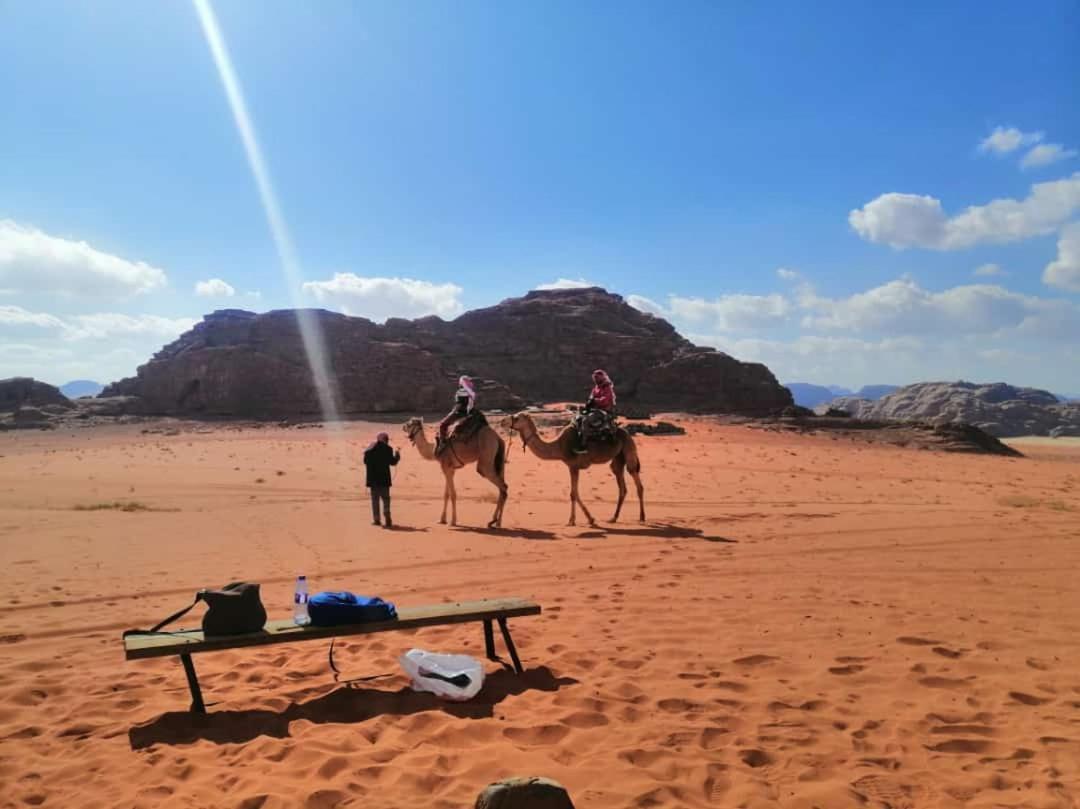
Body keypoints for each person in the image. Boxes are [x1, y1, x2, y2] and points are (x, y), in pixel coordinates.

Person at [363, 432, 400, 528]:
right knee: (386, 499)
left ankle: (377, 520)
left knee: (375, 500)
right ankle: (387, 514)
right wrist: (397, 456)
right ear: (385, 440)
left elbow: (365, 461)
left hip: (373, 480)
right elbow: (393, 462)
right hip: (384, 480)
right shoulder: (388, 449)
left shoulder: (370, 448)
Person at [574, 369, 616, 453]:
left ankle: (583, 445)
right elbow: (591, 398)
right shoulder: (596, 388)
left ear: (602, 378)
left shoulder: (607, 388)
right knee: (577, 418)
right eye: (594, 378)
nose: (595, 379)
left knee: (586, 421)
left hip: (604, 411)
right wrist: (588, 403)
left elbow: (605, 400)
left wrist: (595, 401)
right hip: (595, 409)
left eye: (597, 378)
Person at [437, 375, 476, 454]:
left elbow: (458, 405)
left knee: (442, 425)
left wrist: (453, 411)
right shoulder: (472, 393)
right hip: (470, 414)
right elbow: (471, 405)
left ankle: (443, 444)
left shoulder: (459, 392)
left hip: (459, 413)